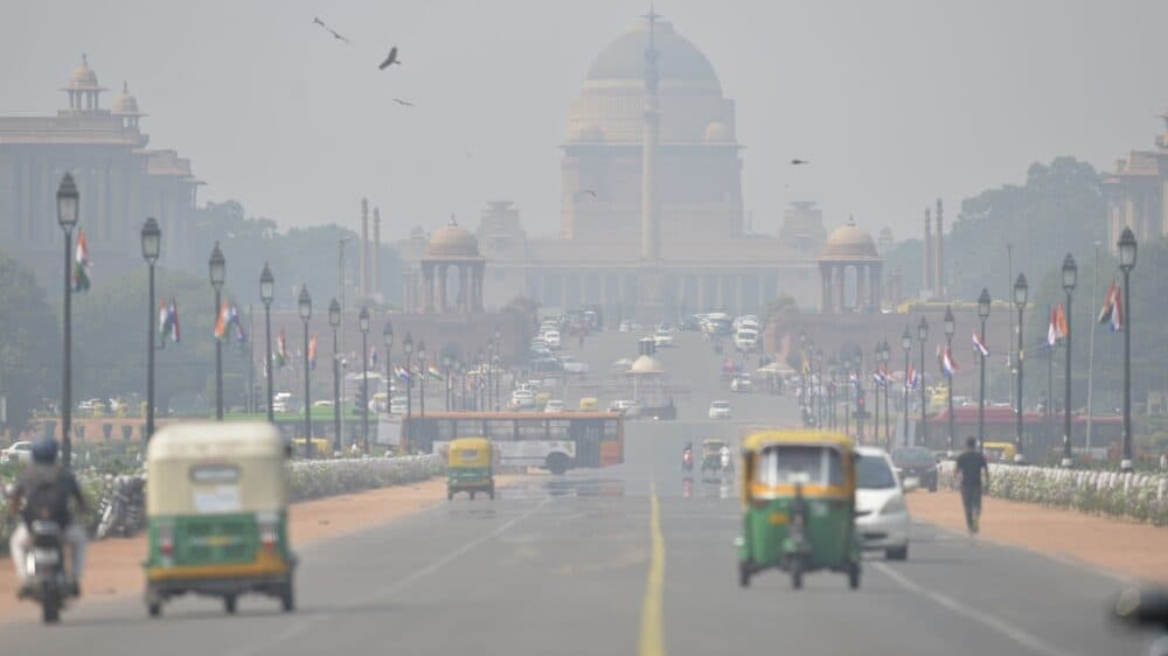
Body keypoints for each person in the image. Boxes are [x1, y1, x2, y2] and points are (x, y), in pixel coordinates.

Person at [7, 438, 91, 598]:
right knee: (80, 540)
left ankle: (25, 579)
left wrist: (12, 512)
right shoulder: (64, 474)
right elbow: (79, 498)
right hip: (62, 525)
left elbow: (15, 499)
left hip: (32, 526)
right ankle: (74, 578)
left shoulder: (26, 475)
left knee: (17, 543)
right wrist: (84, 510)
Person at [954, 436, 989, 535]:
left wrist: (957, 479)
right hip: (977, 484)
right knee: (977, 505)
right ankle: (975, 518)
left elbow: (956, 471)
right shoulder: (980, 456)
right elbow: (986, 470)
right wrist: (987, 482)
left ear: (966, 445)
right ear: (975, 445)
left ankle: (970, 525)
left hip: (965, 484)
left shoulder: (962, 457)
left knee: (967, 506)